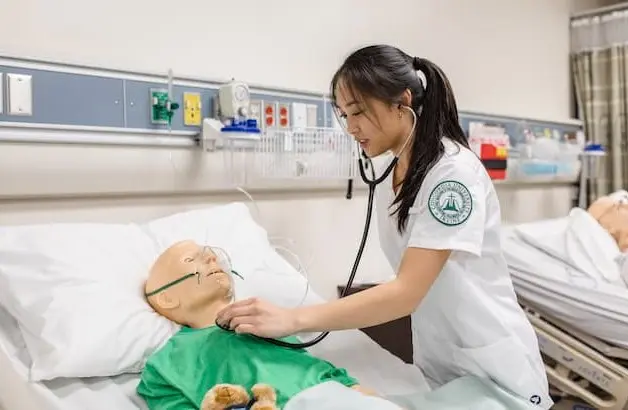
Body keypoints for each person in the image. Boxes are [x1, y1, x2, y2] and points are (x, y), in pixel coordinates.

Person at [216, 44, 554, 409]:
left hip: (496, 371)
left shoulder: (453, 177)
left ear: (402, 101)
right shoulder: (393, 175)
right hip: (445, 366)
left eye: (358, 112)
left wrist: (293, 319)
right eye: (344, 115)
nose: (351, 128)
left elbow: (407, 291)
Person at [136, 240, 395, 409]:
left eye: (212, 256)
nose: (212, 259)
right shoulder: (166, 367)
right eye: (191, 261)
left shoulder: (268, 323)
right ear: (166, 298)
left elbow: (328, 375)